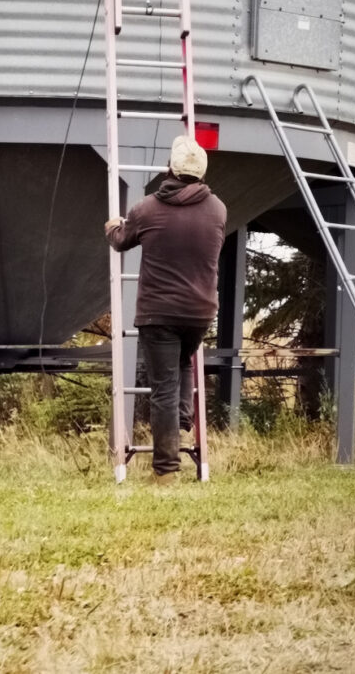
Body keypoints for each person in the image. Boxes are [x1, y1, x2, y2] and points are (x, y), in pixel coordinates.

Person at [105, 132, 228, 478]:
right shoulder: (218, 209)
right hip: (200, 312)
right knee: (185, 363)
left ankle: (166, 471)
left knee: (162, 390)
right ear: (202, 173)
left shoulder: (145, 209)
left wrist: (112, 227)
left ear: (168, 169)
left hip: (158, 313)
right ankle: (183, 419)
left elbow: (121, 240)